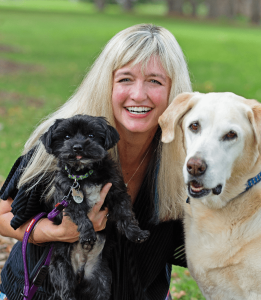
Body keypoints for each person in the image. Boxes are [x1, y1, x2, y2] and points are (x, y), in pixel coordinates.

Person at [0, 24, 192, 300]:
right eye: (125, 79)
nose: (139, 94)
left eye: (155, 81)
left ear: (174, 90)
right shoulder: (64, 140)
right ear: (107, 83)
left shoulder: (186, 156)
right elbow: (3, 215)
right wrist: (53, 232)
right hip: (43, 293)